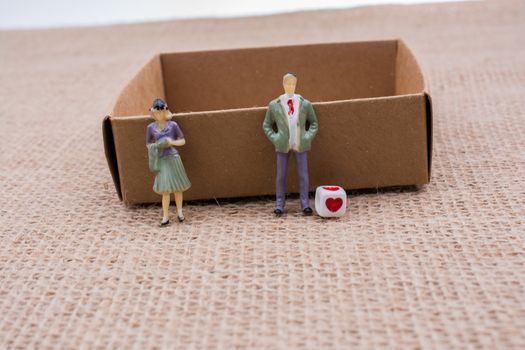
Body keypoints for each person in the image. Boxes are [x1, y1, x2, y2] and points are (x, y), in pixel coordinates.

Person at [262, 73, 319, 216]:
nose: (290, 87)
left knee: (303, 175)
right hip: (283, 145)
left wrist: (307, 137)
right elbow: (266, 125)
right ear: (283, 85)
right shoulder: (274, 105)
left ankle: (305, 203)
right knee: (280, 175)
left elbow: (314, 123)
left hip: (300, 144)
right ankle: (279, 204)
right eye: (288, 84)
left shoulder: (304, 104)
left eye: (293, 84)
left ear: (296, 85)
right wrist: (275, 138)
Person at [146, 98, 191, 226]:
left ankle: (180, 212)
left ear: (165, 111)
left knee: (178, 188)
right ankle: (165, 215)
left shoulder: (173, 125)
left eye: (161, 112)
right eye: (157, 112)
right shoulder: (150, 128)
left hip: (173, 158)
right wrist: (156, 146)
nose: (159, 115)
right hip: (162, 160)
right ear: (154, 113)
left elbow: (182, 141)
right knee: (165, 190)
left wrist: (171, 142)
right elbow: (148, 143)